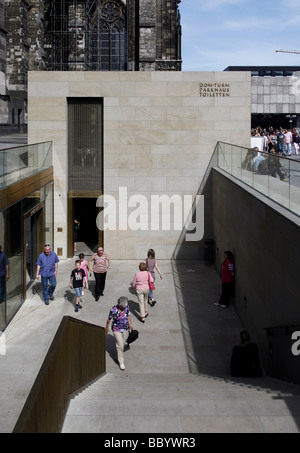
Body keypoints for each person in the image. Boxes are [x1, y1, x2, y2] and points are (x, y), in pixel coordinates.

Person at [105, 296, 133, 370]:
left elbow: (128, 316)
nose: (124, 308)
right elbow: (109, 319)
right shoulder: (113, 310)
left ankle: (117, 355)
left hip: (124, 328)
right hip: (116, 328)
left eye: (125, 306)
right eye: (123, 306)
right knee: (120, 345)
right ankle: (121, 362)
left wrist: (130, 324)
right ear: (119, 305)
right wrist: (107, 328)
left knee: (123, 343)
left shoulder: (127, 307)